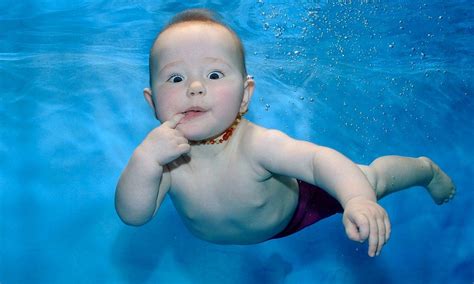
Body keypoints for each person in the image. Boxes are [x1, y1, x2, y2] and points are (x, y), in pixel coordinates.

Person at [115, 9, 455, 257]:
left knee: (370, 179)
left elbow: (319, 160)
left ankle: (424, 170)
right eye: (175, 78)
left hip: (296, 209)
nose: (194, 87)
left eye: (215, 74)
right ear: (152, 101)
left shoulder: (257, 145)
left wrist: (357, 199)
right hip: (242, 235)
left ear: (245, 95)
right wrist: (145, 159)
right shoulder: (164, 159)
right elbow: (134, 215)